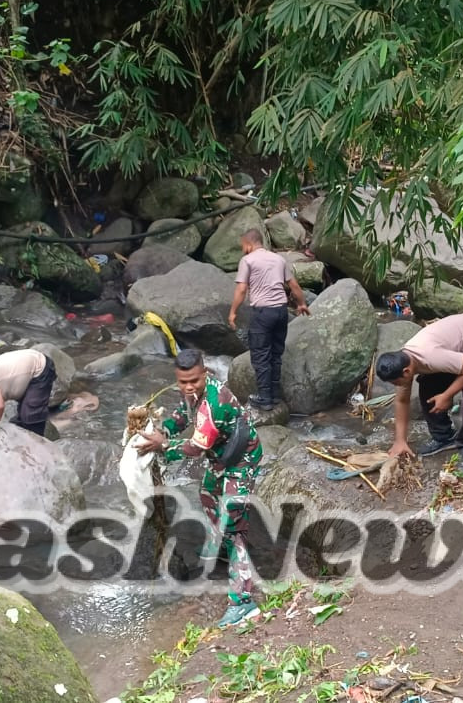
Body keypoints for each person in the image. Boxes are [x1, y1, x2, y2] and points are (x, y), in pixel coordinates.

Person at [135, 348, 265, 628]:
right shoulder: (191, 395)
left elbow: (195, 447)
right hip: (221, 456)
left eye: (194, 380)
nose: (189, 386)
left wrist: (162, 447)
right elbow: (181, 416)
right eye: (183, 382)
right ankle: (226, 543)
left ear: (205, 373)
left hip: (241, 459)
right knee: (206, 494)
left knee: (232, 522)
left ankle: (243, 602)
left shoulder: (215, 403)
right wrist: (162, 431)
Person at [375, 313, 463, 476]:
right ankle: (443, 437)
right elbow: (401, 401)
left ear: (407, 372)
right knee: (428, 386)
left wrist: (447, 395)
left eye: (396, 383)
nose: (398, 386)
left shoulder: (430, 357)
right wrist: (400, 441)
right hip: (455, 345)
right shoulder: (404, 361)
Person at [228, 229, 310, 410]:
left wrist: (233, 312)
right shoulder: (279, 259)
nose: (243, 249)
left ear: (248, 244)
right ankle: (273, 395)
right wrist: (302, 303)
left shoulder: (247, 260)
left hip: (263, 313)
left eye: (243, 246)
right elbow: (293, 285)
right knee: (275, 354)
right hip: (281, 312)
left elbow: (241, 290)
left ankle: (264, 399)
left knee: (260, 356)